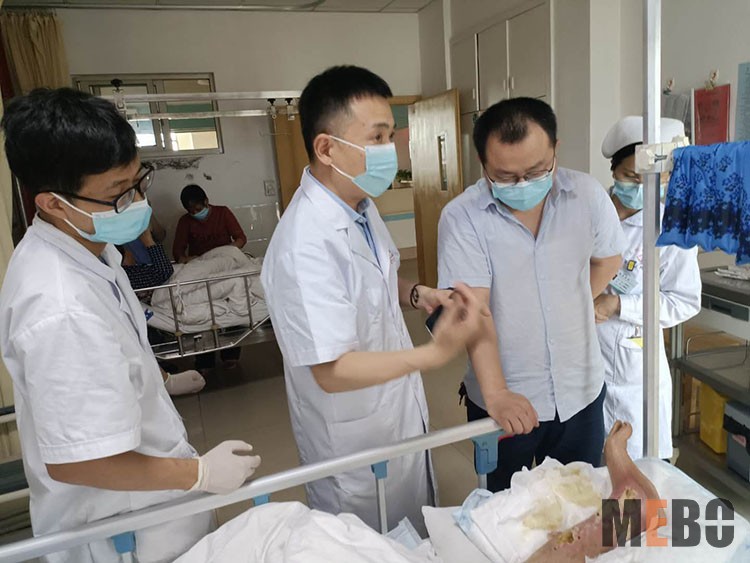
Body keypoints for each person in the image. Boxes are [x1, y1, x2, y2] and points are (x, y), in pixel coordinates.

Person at [0, 88, 261, 563]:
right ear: (53, 203)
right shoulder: (60, 307)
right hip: (121, 534)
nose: (138, 201)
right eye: (118, 194)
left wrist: (161, 379)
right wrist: (200, 474)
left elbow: (112, 351)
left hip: (152, 508)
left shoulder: (95, 252)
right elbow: (81, 461)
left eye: (138, 182)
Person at [261, 65, 488, 533]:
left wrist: (416, 293)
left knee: (412, 531)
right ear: (327, 148)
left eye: (390, 135)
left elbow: (372, 282)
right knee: (368, 542)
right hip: (353, 439)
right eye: (378, 137)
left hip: (394, 415)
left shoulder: (359, 207)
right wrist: (433, 354)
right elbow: (331, 370)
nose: (392, 149)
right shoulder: (305, 243)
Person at [438, 97, 627, 492]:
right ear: (483, 163)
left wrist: (570, 303)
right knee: (506, 511)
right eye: (506, 176)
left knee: (582, 502)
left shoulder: (587, 196)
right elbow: (474, 311)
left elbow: (608, 259)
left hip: (580, 390)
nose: (523, 184)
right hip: (506, 399)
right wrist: (497, 393)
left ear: (555, 149)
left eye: (536, 170)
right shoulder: (463, 216)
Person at [597, 116, 701, 460]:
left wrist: (619, 306)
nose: (640, 187)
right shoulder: (591, 214)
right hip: (582, 364)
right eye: (630, 176)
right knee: (586, 474)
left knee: (634, 471)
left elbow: (683, 301)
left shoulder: (671, 229)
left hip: (635, 373)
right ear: (614, 171)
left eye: (653, 179)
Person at [172, 184, 247, 264]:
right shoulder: (185, 221)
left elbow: (241, 238)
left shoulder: (223, 213)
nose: (195, 213)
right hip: (200, 263)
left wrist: (226, 250)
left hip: (225, 259)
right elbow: (177, 251)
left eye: (198, 209)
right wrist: (184, 259)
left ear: (206, 201)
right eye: (191, 212)